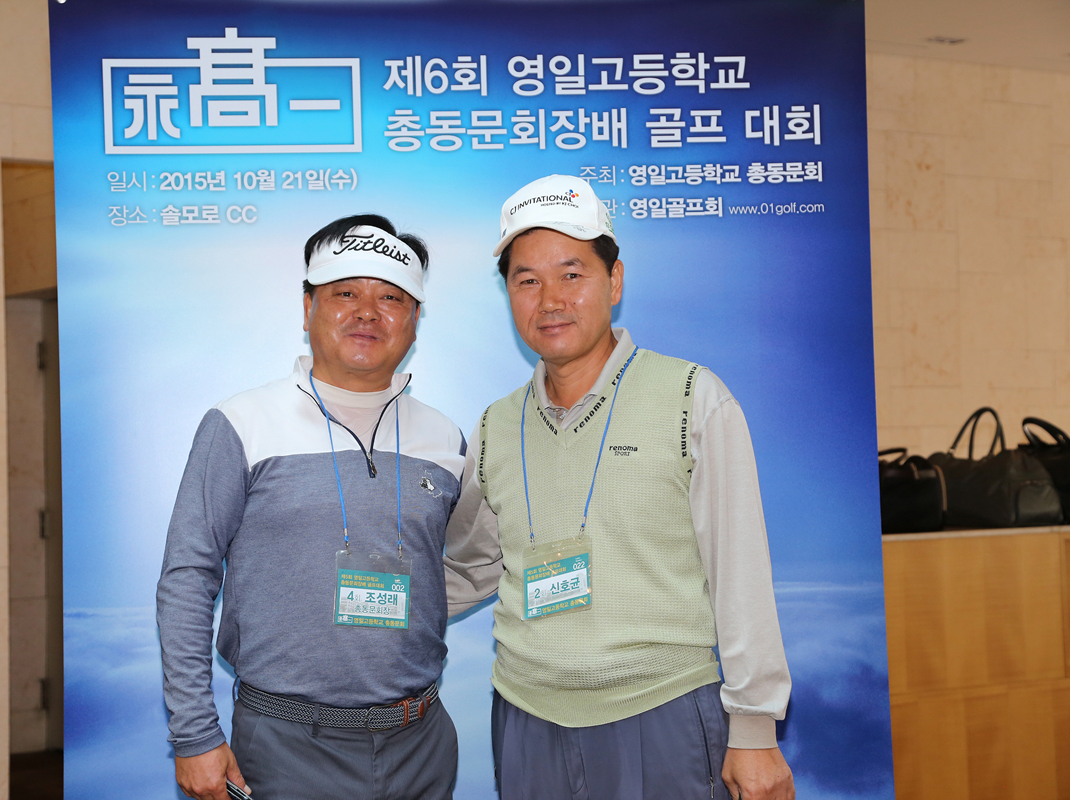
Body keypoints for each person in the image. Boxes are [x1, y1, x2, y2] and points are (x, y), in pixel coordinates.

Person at [444, 176, 796, 800]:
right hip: (526, 717)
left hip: (660, 711)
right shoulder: (497, 425)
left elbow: (739, 571)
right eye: (528, 281)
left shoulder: (691, 398)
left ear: (615, 280)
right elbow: (470, 567)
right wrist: (349, 619)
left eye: (571, 274)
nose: (550, 300)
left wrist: (754, 726)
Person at [157, 214, 465, 800]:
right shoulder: (242, 423)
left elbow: (460, 564)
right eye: (345, 293)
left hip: (421, 742)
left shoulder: (445, 439)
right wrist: (194, 734)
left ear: (414, 319)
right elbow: (187, 577)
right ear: (308, 308)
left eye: (391, 298)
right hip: (286, 745)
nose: (367, 312)